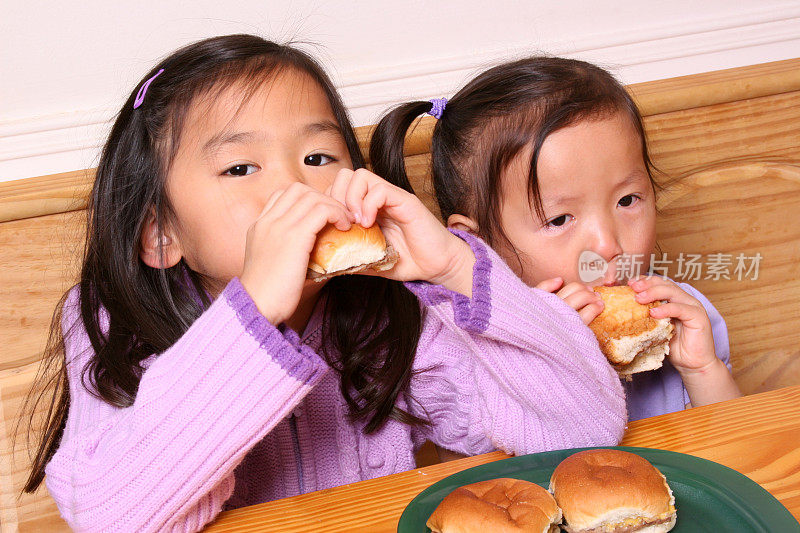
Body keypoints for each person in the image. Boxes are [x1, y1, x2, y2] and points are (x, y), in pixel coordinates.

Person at [22, 37, 626, 532]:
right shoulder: (112, 325)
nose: (299, 189)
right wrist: (252, 313)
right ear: (160, 237)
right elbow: (111, 516)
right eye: (240, 167)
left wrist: (453, 269)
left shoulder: (389, 313)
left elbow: (585, 429)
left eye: (318, 158)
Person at [369, 56, 741, 424]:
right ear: (477, 246)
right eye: (559, 219)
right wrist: (552, 355)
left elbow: (740, 454)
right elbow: (493, 480)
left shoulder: (688, 317)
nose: (607, 244)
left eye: (627, 200)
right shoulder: (474, 360)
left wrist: (702, 369)